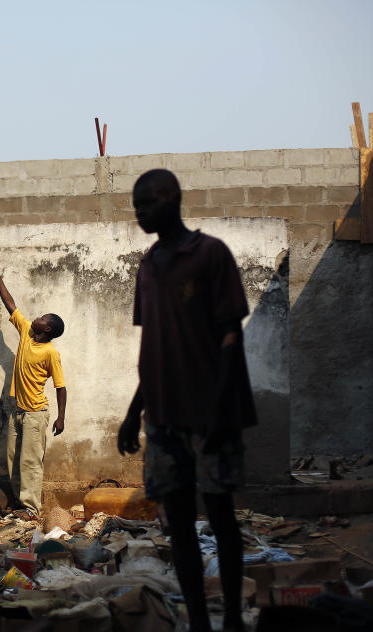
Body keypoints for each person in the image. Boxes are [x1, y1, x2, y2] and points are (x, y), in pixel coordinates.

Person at [118, 169, 257, 632]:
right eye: (134, 205)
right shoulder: (147, 266)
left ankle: (233, 620)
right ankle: (200, 622)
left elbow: (230, 336)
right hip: (162, 420)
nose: (138, 213)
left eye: (146, 203)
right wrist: (133, 412)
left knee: (220, 518)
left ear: (173, 200)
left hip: (211, 415)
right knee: (178, 529)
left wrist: (220, 409)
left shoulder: (210, 254)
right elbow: (151, 346)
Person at [0, 261, 67, 517]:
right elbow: (10, 303)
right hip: (18, 411)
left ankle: (32, 509)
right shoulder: (25, 332)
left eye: (44, 318)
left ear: (49, 329)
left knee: (31, 462)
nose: (38, 317)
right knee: (13, 458)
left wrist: (61, 417)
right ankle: (19, 503)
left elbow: (61, 387)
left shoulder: (50, 352)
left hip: (35, 414)